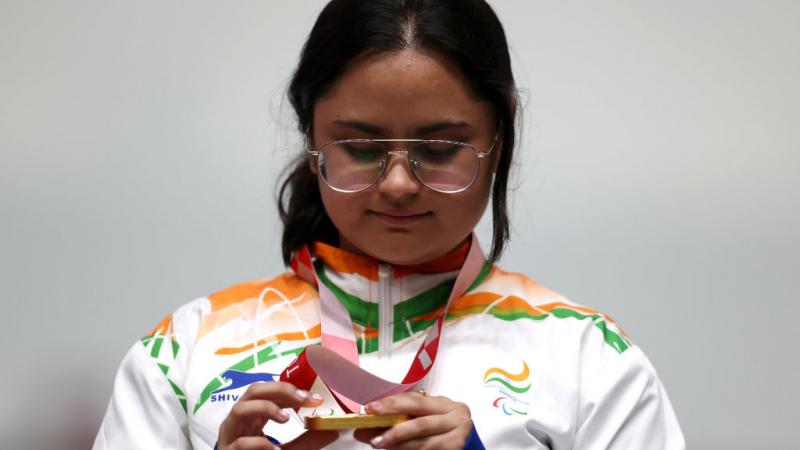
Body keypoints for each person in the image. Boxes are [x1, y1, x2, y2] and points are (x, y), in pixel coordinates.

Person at [94, 1, 685, 449]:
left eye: (440, 148)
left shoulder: (589, 358)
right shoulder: (183, 352)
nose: (398, 184)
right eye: (359, 147)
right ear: (311, 134)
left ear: (500, 135)